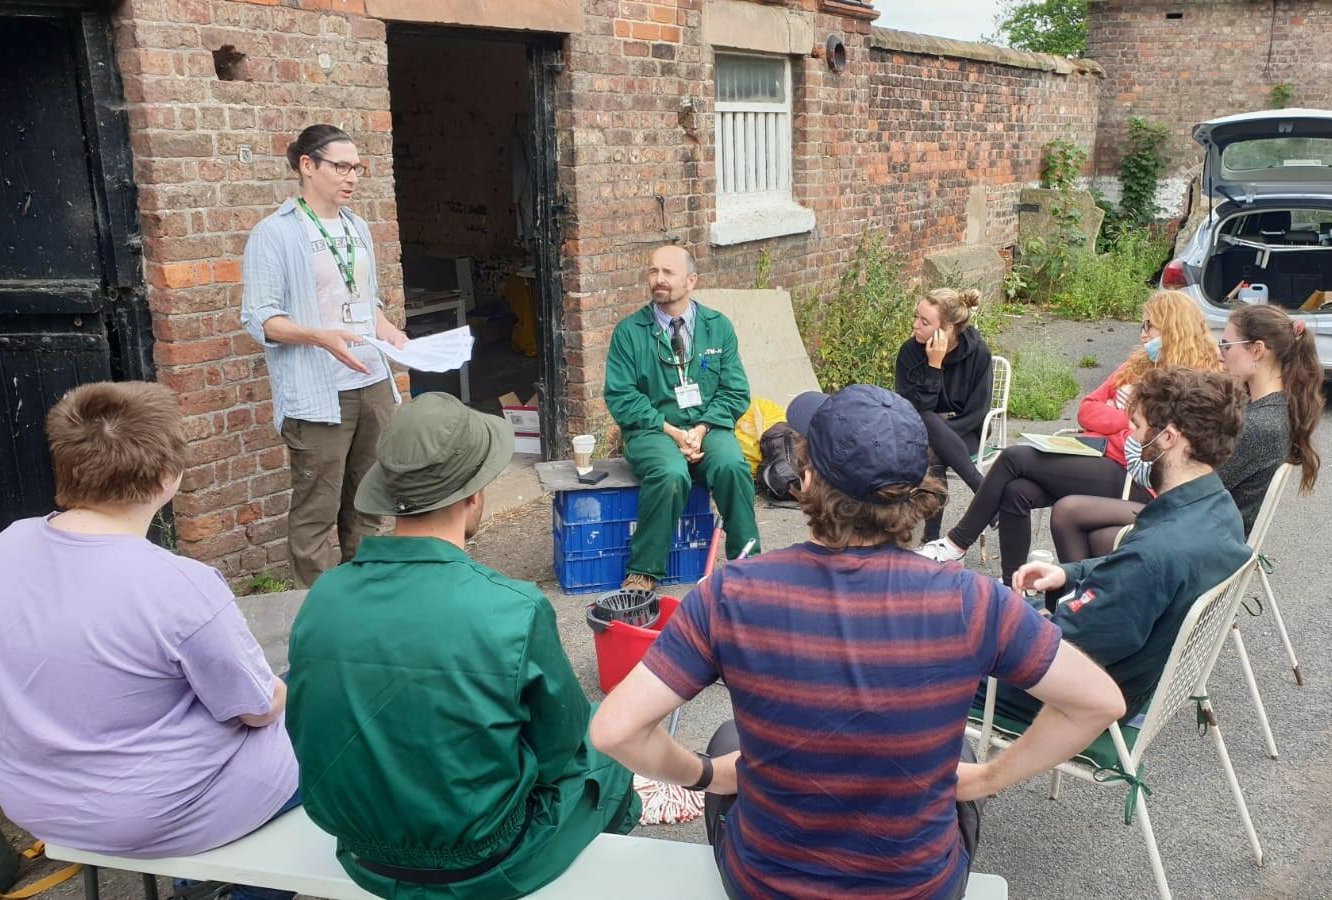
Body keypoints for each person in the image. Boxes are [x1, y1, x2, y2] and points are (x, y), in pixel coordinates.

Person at [590, 385, 1125, 900]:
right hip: (920, 888)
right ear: (919, 487)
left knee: (731, 741)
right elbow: (1098, 702)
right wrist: (986, 778)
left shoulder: (731, 593)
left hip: (765, 886)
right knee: (956, 751)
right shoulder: (973, 601)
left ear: (804, 477)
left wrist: (704, 774)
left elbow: (616, 730)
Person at [286, 393, 637, 899]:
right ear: (474, 494)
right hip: (484, 862)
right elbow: (563, 754)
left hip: (361, 854)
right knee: (610, 753)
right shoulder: (515, 607)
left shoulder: (324, 595)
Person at [0, 383, 298, 900]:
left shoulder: (0, 549)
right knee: (324, 715)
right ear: (167, 477)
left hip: (37, 801)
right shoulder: (178, 583)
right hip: (150, 814)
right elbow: (256, 708)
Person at [986, 367, 1254, 726]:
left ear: (1169, 438)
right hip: (1124, 675)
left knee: (924, 644)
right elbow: (1130, 576)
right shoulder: (1218, 508)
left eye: (1138, 427)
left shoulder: (1154, 555)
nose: (1130, 435)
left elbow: (1065, 647)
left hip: (1070, 696)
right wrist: (1068, 573)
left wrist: (1031, 620)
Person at [919, 290, 1221, 581]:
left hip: (1134, 474)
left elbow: (1147, 442)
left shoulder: (1187, 379)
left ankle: (956, 543)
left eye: (1149, 326)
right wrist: (1124, 422)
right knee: (1017, 491)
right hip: (1098, 453)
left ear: (1172, 329)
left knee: (1015, 457)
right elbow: (1087, 408)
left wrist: (1116, 429)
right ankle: (1014, 585)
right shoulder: (1137, 363)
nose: (1143, 335)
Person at [240, 123, 408, 588]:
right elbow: (260, 319)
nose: (351, 176)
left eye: (356, 167)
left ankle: (366, 596)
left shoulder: (357, 227)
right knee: (317, 508)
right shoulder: (274, 234)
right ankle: (315, 611)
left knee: (369, 500)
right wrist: (321, 337)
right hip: (318, 392)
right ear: (307, 166)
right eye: (340, 166)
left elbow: (364, 299)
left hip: (371, 381)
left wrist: (391, 332)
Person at [1050, 303, 1326, 563]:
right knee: (1070, 512)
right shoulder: (1265, 408)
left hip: (1202, 536)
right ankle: (1086, 603)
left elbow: (1187, 487)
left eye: (1227, 345)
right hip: (1200, 520)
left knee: (1074, 517)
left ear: (1257, 350)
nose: (1220, 354)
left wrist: (1145, 442)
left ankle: (1087, 606)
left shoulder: (1260, 423)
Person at [605, 245, 758, 592]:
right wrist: (672, 431)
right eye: (652, 271)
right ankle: (644, 570)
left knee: (733, 466)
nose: (658, 280)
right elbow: (621, 396)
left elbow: (735, 391)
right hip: (653, 430)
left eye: (667, 273)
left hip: (708, 426)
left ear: (691, 281)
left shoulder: (718, 328)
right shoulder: (629, 332)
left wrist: (701, 429)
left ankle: (748, 564)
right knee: (671, 472)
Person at [895, 287, 995, 543]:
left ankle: (930, 539)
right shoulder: (910, 352)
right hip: (922, 429)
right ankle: (983, 490)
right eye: (916, 317)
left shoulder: (979, 353)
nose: (915, 325)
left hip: (968, 431)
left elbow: (978, 412)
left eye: (924, 321)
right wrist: (934, 366)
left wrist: (943, 430)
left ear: (948, 329)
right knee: (929, 425)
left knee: (934, 445)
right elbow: (911, 410)